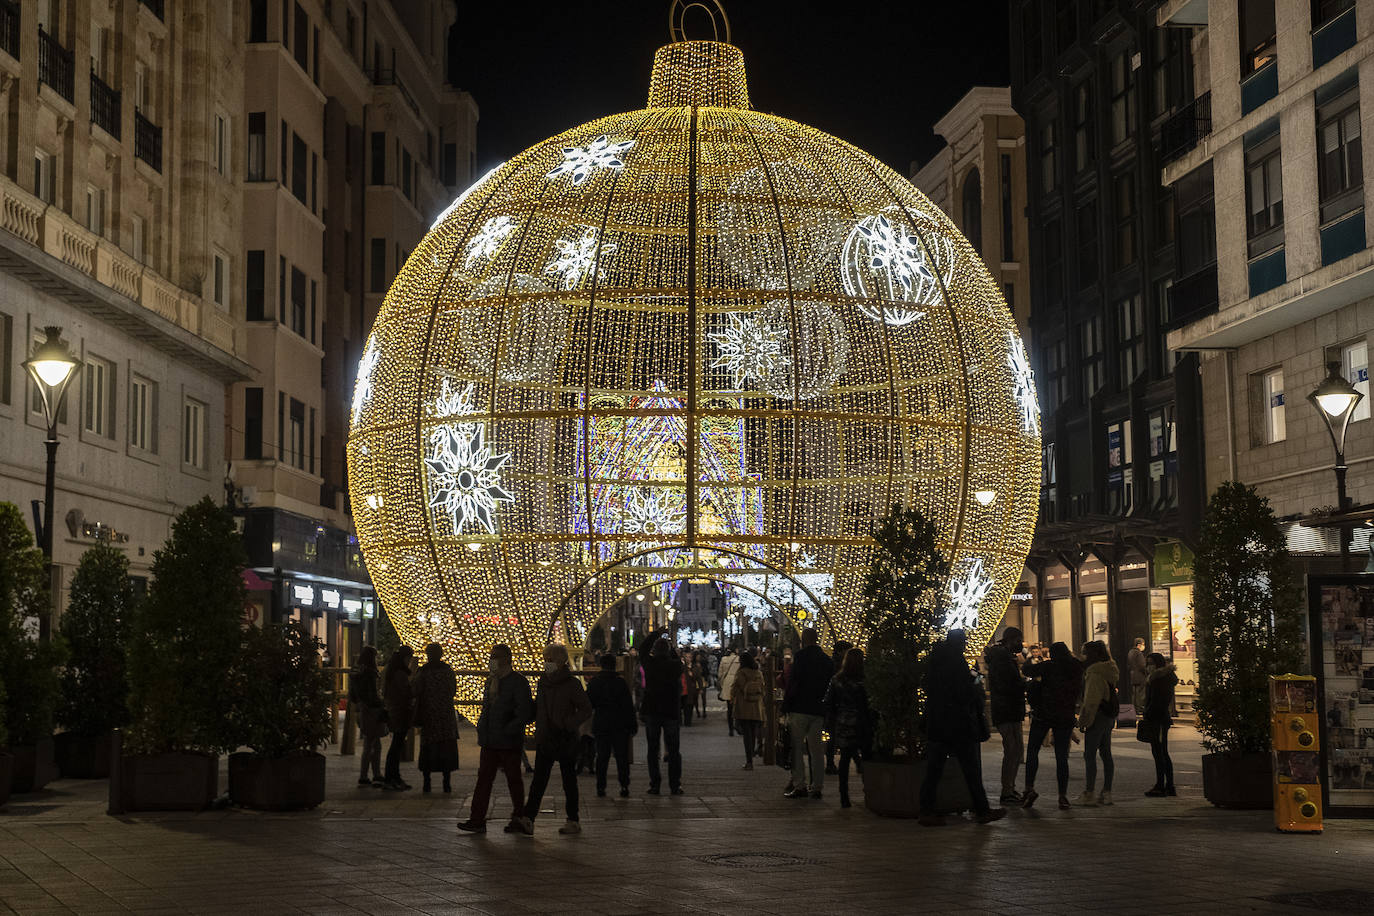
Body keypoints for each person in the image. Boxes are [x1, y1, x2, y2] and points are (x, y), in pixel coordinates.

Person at [918, 629, 1005, 825]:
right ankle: (981, 809)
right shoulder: (956, 662)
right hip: (957, 724)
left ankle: (926, 810)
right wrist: (976, 680)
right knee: (970, 768)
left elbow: (928, 686)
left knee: (934, 770)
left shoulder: (935, 662)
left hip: (938, 723)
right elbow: (965, 691)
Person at [515, 644, 592, 836]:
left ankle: (573, 820)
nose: (546, 663)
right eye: (545, 659)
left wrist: (568, 723)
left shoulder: (571, 684)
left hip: (564, 737)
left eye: (550, 659)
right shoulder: (543, 682)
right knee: (539, 780)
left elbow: (585, 709)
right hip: (545, 736)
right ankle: (528, 819)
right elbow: (539, 707)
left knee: (569, 780)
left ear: (560, 661)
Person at [458, 644, 533, 834]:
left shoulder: (518, 682)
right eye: (491, 656)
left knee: (513, 779)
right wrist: (483, 729)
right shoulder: (490, 681)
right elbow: (487, 709)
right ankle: (477, 819)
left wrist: (510, 728)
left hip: (508, 740)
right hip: (490, 739)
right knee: (484, 779)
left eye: (496, 656)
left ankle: (518, 817)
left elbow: (524, 711)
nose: (492, 660)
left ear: (507, 658)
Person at [1020, 641, 1083, 809]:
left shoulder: (1048, 666)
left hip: (1044, 713)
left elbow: (1026, 670)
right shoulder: (1075, 667)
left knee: (1033, 750)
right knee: (1061, 756)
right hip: (1065, 714)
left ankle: (1029, 788)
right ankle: (1062, 795)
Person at [782, 627, 832, 799]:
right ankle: (817, 786)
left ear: (804, 639)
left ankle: (800, 784)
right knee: (816, 750)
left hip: (800, 707)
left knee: (796, 747)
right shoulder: (826, 660)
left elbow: (793, 682)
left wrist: (786, 704)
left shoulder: (801, 657)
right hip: (817, 708)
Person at [822, 647, 870, 809]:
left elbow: (829, 702)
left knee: (844, 759)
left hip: (843, 722)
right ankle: (868, 791)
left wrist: (833, 718)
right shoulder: (865, 680)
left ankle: (844, 797)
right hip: (862, 723)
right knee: (866, 756)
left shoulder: (837, 680)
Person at [983, 627, 1026, 805]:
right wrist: (1024, 685)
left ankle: (1010, 788)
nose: (1021, 644)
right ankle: (1007, 790)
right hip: (1006, 709)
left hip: (1010, 709)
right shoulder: (1002, 658)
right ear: (1011, 639)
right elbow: (1008, 684)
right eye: (1019, 640)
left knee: (1015, 751)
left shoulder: (1005, 657)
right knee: (1012, 750)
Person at [412, 643, 460, 794]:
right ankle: (447, 783)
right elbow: (453, 690)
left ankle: (427, 783)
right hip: (446, 716)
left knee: (428, 748)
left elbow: (415, 689)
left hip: (429, 715)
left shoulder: (423, 671)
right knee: (446, 748)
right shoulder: (448, 671)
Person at [587, 652, 636, 797]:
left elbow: (589, 703)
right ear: (614, 665)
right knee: (622, 757)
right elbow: (628, 705)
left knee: (602, 757)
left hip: (601, 722)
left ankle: (601, 787)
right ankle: (624, 785)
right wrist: (632, 724)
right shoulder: (620, 682)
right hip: (619, 724)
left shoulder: (595, 682)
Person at [1077, 640, 1120, 807]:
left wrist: (1084, 719)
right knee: (1106, 753)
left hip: (1098, 715)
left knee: (1089, 754)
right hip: (1108, 715)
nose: (1083, 656)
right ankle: (1107, 792)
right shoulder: (1109, 669)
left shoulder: (1094, 673)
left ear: (1093, 655)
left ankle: (1089, 792)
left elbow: (1091, 701)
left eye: (1085, 653)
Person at [640, 637, 684, 795]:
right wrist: (671, 647)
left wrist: (654, 635)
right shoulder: (675, 666)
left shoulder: (649, 664)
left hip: (652, 710)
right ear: (668, 651)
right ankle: (675, 785)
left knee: (652, 750)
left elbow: (642, 651)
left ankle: (655, 784)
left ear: (654, 651)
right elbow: (679, 661)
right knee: (673, 750)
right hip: (670, 711)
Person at [1142, 652, 1178, 797]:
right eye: (1147, 663)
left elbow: (1157, 701)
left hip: (1158, 719)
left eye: (1151, 663)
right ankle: (1167, 785)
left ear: (1158, 664)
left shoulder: (1159, 679)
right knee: (1161, 752)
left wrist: (1147, 713)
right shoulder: (1161, 678)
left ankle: (1162, 785)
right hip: (1160, 718)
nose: (1149, 666)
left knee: (1160, 753)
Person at [350, 646, 386, 788]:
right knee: (373, 743)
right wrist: (381, 702)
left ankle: (368, 774)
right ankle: (371, 774)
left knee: (370, 743)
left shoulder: (356, 673)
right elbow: (373, 695)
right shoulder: (370, 674)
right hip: (373, 710)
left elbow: (353, 695)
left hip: (362, 709)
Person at [382, 645, 415, 791]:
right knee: (396, 746)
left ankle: (394, 777)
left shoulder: (391, 671)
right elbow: (407, 692)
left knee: (396, 746)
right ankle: (391, 778)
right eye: (409, 658)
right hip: (400, 712)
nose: (410, 662)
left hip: (394, 711)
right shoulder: (400, 674)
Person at [729, 650, 766, 769]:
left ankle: (749, 761)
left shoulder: (741, 673)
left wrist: (732, 697)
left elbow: (734, 689)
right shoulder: (758, 673)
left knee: (746, 734)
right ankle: (752, 757)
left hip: (743, 706)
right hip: (756, 706)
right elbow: (763, 689)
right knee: (753, 732)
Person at [824, 640, 853, 775]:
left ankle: (831, 763)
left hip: (834, 707)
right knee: (838, 736)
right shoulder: (840, 667)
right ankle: (831, 763)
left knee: (835, 736)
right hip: (838, 707)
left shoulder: (832, 664)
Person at [718, 649, 741, 737]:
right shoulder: (739, 659)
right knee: (738, 706)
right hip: (737, 682)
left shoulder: (724, 659)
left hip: (727, 683)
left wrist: (722, 683)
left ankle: (730, 729)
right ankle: (738, 726)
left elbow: (720, 674)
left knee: (729, 707)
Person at [1127, 637, 1148, 714]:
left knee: (1135, 693)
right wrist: (1147, 673)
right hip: (1140, 676)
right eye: (1143, 644)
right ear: (1139, 645)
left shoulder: (1130, 652)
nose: (1143, 646)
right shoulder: (1139, 653)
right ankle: (1139, 709)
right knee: (1140, 693)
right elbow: (1142, 665)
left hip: (1133, 675)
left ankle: (1135, 709)